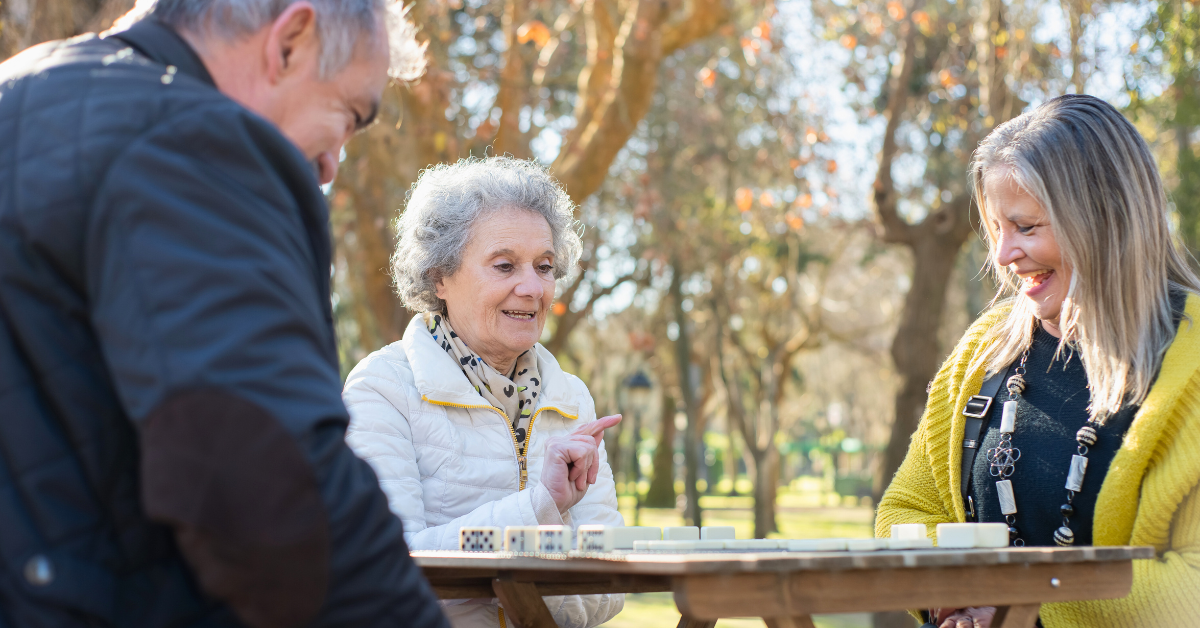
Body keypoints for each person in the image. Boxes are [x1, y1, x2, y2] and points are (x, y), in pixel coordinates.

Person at [0, 2, 448, 627]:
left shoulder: (22, 94)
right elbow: (268, 490)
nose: (332, 163)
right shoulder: (188, 141)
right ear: (291, 39)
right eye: (348, 115)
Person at [876, 94, 1200, 628]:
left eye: (1026, 228)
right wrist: (952, 593)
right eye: (997, 229)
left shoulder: (1189, 361)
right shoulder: (983, 348)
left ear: (1104, 219)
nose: (1004, 255)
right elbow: (905, 512)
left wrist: (1022, 610)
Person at [343, 156, 626, 628]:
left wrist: (525, 602)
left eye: (545, 266)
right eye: (504, 265)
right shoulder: (382, 388)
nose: (532, 287)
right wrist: (541, 510)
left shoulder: (571, 396)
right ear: (439, 275)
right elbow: (387, 567)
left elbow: (609, 585)